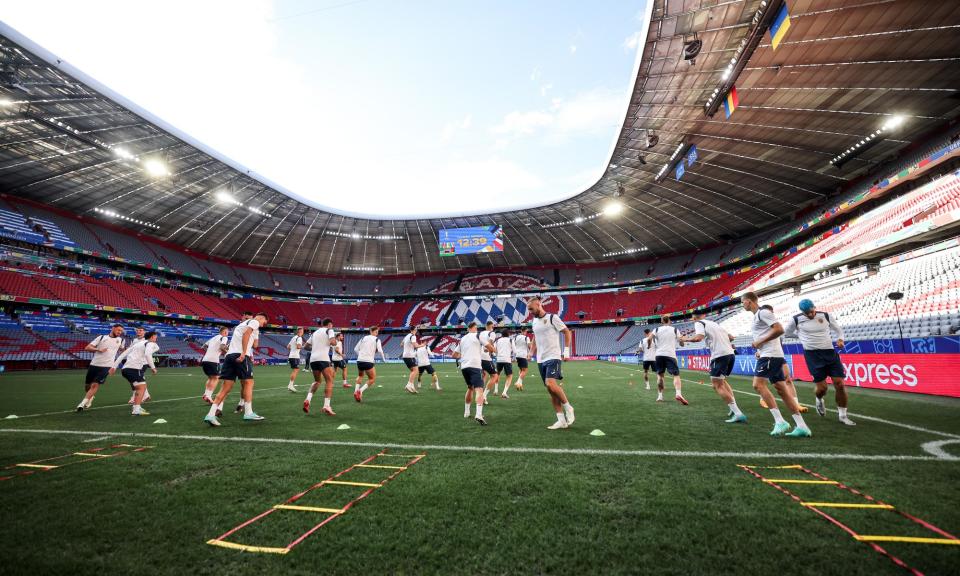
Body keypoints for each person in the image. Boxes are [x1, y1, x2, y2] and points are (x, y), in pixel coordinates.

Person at [741, 292, 811, 437]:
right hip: (772, 354)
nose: (742, 305)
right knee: (782, 390)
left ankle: (780, 421)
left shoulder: (763, 312)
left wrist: (759, 342)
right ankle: (802, 426)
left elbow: (779, 329)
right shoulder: (757, 316)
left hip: (770, 355)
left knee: (758, 385)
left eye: (743, 302)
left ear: (748, 301)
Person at [784, 299, 855, 426]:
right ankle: (819, 399)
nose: (810, 315)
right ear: (802, 312)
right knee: (822, 388)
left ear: (814, 307)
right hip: (813, 355)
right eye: (807, 313)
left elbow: (838, 330)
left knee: (840, 384)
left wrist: (840, 339)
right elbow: (787, 333)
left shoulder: (825, 316)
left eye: (811, 311)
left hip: (830, 353)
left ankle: (843, 416)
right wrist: (800, 336)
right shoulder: (796, 319)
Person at [203, 312, 268, 426]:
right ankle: (248, 412)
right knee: (249, 382)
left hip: (229, 356)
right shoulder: (254, 321)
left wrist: (256, 334)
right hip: (241, 355)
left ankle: (210, 414)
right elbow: (247, 335)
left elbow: (255, 345)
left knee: (225, 388)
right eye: (264, 322)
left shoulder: (242, 325)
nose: (263, 325)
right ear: (261, 318)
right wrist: (243, 352)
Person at [682, 312, 744, 422]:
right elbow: (731, 338)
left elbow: (698, 338)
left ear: (694, 317)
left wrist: (685, 339)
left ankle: (738, 413)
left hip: (720, 355)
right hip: (730, 353)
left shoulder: (699, 323)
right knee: (722, 382)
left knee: (717, 385)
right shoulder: (715, 324)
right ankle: (733, 409)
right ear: (704, 315)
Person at [528, 296, 575, 429]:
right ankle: (561, 420)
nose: (530, 312)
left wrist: (566, 351)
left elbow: (566, 332)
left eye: (531, 309)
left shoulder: (552, 318)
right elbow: (535, 338)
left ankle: (568, 407)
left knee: (550, 383)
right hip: (540, 359)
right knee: (550, 390)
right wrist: (531, 352)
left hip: (553, 356)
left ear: (538, 305)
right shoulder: (534, 322)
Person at [757, 305, 807, 413]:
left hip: (779, 356)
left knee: (788, 379)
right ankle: (763, 399)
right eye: (768, 312)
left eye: (772, 312)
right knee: (763, 381)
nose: (770, 314)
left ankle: (796, 404)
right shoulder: (760, 326)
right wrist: (758, 352)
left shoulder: (776, 325)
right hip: (766, 356)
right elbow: (757, 342)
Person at [452, 322, 494, 425]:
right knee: (479, 389)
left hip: (464, 367)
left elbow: (454, 355)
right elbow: (491, 348)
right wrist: (492, 349)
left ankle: (466, 412)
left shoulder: (462, 339)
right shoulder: (478, 335)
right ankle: (479, 414)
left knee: (470, 388)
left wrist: (464, 356)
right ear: (474, 328)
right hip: (475, 366)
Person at [76, 324, 125, 412]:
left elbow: (121, 348)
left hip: (107, 366)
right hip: (94, 364)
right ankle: (90, 397)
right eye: (118, 330)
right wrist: (98, 350)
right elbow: (87, 348)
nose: (120, 332)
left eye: (121, 331)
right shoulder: (101, 337)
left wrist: (125, 349)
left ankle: (82, 404)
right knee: (87, 386)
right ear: (113, 328)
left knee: (95, 384)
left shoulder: (120, 339)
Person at [111, 331, 159, 416]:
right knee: (141, 388)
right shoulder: (150, 343)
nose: (156, 338)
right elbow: (148, 354)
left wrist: (114, 366)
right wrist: (153, 367)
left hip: (125, 369)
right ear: (152, 337)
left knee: (140, 387)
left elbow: (123, 354)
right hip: (134, 368)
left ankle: (136, 407)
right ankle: (136, 409)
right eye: (155, 337)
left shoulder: (138, 344)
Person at [648, 315, 688, 404]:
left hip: (659, 355)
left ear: (662, 322)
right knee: (676, 375)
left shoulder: (656, 329)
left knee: (660, 376)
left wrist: (648, 345)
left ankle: (660, 396)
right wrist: (682, 340)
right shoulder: (675, 330)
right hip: (670, 355)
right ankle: (678, 393)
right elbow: (681, 344)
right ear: (669, 321)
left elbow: (649, 338)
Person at [304, 319, 337, 415]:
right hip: (323, 358)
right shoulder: (329, 330)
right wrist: (334, 342)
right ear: (329, 324)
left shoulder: (315, 333)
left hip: (313, 359)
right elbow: (333, 342)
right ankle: (327, 406)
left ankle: (308, 399)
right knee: (329, 381)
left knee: (317, 381)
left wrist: (315, 348)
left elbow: (305, 346)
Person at [353, 326, 386, 402]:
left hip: (360, 360)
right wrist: (384, 359)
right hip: (368, 361)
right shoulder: (377, 339)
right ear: (373, 331)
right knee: (372, 379)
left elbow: (355, 349)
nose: (377, 333)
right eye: (376, 332)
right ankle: (360, 391)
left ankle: (355, 391)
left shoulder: (363, 338)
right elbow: (380, 350)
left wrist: (361, 356)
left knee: (360, 375)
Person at [201, 327, 229, 403]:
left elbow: (203, 346)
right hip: (213, 361)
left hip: (205, 360)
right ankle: (209, 396)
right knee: (216, 378)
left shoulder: (213, 338)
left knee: (210, 378)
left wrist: (211, 351)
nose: (228, 333)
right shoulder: (224, 338)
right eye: (227, 332)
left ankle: (206, 394)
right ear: (225, 332)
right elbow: (222, 347)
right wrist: (227, 352)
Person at [126, 326, 152, 405]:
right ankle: (145, 395)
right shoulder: (134, 340)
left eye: (140, 330)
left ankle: (137, 396)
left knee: (136, 380)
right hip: (134, 362)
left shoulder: (147, 341)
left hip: (143, 362)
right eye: (137, 330)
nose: (139, 332)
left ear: (144, 332)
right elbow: (130, 349)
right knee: (135, 380)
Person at [479, 320, 499, 401]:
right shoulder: (492, 333)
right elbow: (490, 343)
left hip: (479, 357)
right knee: (494, 376)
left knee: (484, 375)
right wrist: (491, 351)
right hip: (486, 357)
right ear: (492, 326)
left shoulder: (480, 333)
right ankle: (484, 395)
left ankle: (480, 393)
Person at [400, 326, 422, 394]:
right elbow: (415, 345)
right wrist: (422, 345)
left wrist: (407, 347)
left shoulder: (407, 336)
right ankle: (409, 385)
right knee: (416, 370)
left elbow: (401, 344)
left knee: (413, 371)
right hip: (409, 356)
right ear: (414, 330)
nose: (416, 330)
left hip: (405, 355)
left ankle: (411, 386)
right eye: (416, 329)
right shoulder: (413, 336)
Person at [495, 328, 516, 398]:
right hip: (507, 359)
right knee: (509, 376)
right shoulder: (510, 340)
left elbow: (494, 350)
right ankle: (504, 392)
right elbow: (515, 351)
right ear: (508, 334)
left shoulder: (497, 340)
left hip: (499, 359)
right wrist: (513, 358)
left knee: (497, 374)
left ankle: (496, 389)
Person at [512, 327, 531, 391]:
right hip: (523, 355)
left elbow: (513, 344)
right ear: (524, 331)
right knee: (525, 370)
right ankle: (518, 382)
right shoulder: (526, 338)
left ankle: (520, 384)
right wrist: (530, 352)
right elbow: (529, 346)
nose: (526, 333)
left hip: (517, 355)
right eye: (526, 332)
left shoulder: (516, 337)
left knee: (521, 370)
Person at [287, 327, 305, 393]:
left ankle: (290, 385)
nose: (303, 332)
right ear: (300, 331)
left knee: (295, 370)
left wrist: (292, 350)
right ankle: (290, 385)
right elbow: (298, 346)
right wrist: (304, 346)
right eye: (303, 331)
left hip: (291, 355)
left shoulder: (293, 337)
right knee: (296, 370)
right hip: (295, 356)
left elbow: (288, 346)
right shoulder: (299, 338)